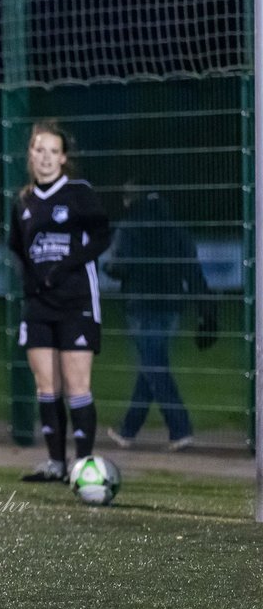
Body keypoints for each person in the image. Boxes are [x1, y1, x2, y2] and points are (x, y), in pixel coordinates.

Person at [7, 120, 112, 483]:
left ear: (64, 158)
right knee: (46, 386)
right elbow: (17, 248)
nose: (46, 158)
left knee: (77, 385)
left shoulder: (79, 193)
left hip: (76, 300)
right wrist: (34, 280)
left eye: (53, 151)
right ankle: (55, 463)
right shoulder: (22, 201)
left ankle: (83, 465)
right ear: (30, 156)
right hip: (38, 305)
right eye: (39, 150)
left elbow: (101, 238)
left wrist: (64, 268)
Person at [104, 182, 217, 451]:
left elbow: (118, 265)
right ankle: (127, 431)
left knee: (154, 368)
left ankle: (180, 429)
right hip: (172, 306)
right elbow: (193, 270)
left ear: (132, 200)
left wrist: (109, 266)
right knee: (151, 367)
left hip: (141, 305)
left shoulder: (129, 227)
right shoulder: (175, 228)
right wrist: (205, 309)